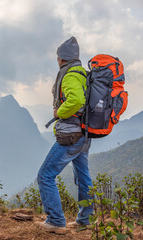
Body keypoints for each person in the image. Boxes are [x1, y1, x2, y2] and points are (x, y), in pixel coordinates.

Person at [37, 36, 93, 234]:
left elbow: (76, 100)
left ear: (62, 58)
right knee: (83, 177)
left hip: (71, 135)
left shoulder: (69, 75)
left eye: (58, 57)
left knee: (45, 175)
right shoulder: (82, 74)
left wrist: (58, 112)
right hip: (85, 134)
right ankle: (85, 220)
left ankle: (56, 221)